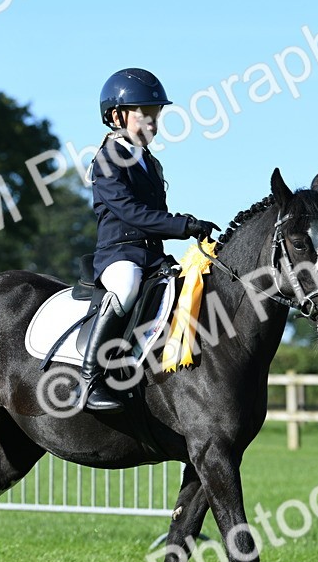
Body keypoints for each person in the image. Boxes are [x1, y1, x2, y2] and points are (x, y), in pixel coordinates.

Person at [80, 67, 220, 412]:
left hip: (153, 258)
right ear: (116, 116)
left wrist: (184, 228)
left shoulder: (151, 164)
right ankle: (90, 378)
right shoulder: (107, 159)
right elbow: (131, 212)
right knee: (126, 287)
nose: (153, 125)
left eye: (156, 116)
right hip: (120, 254)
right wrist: (184, 225)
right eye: (143, 116)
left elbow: (157, 216)